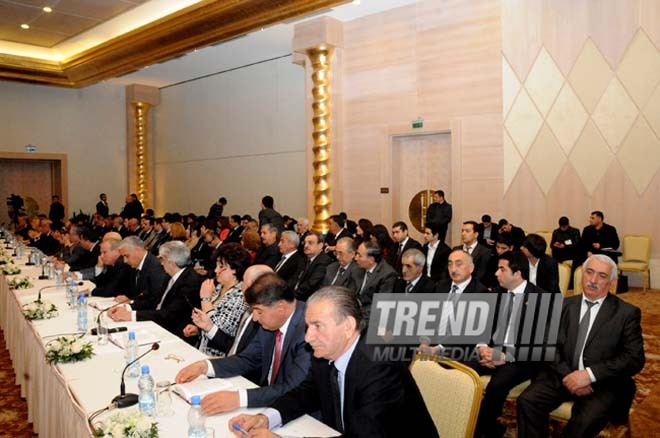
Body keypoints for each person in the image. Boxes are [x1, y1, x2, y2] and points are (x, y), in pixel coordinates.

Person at [228, 286, 439, 438]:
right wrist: (266, 418)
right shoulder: (327, 352)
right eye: (308, 326)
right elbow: (308, 392)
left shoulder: (378, 367)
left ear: (348, 326)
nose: (308, 337)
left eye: (318, 326)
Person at [517, 255, 645, 437]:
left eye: (601, 276)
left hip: (601, 384)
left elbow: (634, 358)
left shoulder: (626, 313)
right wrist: (570, 375)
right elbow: (546, 345)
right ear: (582, 275)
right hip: (562, 374)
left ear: (612, 282)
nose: (593, 280)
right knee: (527, 401)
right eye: (589, 273)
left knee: (583, 423)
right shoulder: (562, 305)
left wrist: (589, 375)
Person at [175, 273, 312, 414]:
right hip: (270, 400)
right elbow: (247, 359)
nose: (255, 318)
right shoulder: (270, 322)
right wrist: (204, 366)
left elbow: (293, 388)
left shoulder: (308, 330)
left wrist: (239, 398)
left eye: (259, 311)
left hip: (301, 413)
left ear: (281, 308)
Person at [471, 251, 551, 438]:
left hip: (521, 357)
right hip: (492, 350)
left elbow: (540, 346)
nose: (496, 274)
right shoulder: (497, 293)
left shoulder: (541, 299)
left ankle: (482, 431)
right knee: (461, 369)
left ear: (517, 273)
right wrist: (483, 347)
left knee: (496, 385)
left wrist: (505, 357)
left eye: (502, 269)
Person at [108, 241, 202, 340]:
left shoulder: (190, 281)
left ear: (171, 263)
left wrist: (132, 315)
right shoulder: (171, 276)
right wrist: (127, 308)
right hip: (158, 324)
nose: (161, 263)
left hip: (175, 333)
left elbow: (169, 314)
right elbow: (153, 301)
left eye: (162, 259)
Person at [187, 243, 251, 354]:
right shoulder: (219, 287)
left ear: (234, 269)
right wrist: (199, 330)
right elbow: (210, 327)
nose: (216, 271)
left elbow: (220, 328)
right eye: (216, 266)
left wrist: (205, 299)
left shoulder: (240, 295)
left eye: (221, 267)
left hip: (220, 358)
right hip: (203, 351)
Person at [114, 236, 169, 306]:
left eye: (127, 256)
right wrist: (129, 299)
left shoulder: (155, 268)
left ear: (137, 250)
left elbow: (154, 301)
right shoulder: (134, 265)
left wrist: (131, 302)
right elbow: (137, 294)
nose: (125, 261)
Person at [353, 241, 397, 320]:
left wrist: (355, 314)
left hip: (370, 318)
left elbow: (380, 306)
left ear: (371, 259)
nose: (355, 258)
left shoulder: (387, 275)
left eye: (359, 255)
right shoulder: (358, 268)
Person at [293, 233, 333, 301]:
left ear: (320, 245)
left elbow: (310, 285)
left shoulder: (324, 261)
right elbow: (294, 278)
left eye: (310, 243)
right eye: (305, 243)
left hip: (308, 299)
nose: (306, 245)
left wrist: (291, 296)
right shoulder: (303, 259)